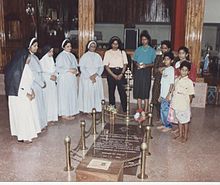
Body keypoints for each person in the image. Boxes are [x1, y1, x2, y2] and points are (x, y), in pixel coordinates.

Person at [4, 39, 42, 142]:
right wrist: (26, 94)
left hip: (27, 93)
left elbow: (29, 81)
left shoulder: (26, 67)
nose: (29, 59)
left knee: (28, 115)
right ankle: (24, 136)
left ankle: (27, 133)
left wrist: (32, 91)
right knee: (22, 116)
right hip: (19, 96)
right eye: (28, 58)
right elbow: (18, 84)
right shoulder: (17, 70)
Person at [133, 30, 156, 121]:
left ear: (148, 40)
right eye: (142, 39)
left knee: (145, 91)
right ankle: (139, 109)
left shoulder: (151, 50)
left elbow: (154, 63)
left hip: (146, 72)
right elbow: (134, 60)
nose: (143, 41)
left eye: (145, 39)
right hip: (138, 72)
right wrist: (137, 64)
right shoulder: (138, 49)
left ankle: (146, 110)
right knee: (138, 91)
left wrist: (146, 65)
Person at [171, 61, 195, 143]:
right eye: (182, 70)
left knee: (185, 121)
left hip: (184, 104)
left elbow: (191, 95)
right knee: (179, 120)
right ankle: (180, 134)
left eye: (186, 70)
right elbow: (174, 90)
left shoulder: (189, 82)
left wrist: (188, 104)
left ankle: (185, 136)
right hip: (177, 103)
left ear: (188, 72)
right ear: (179, 70)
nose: (184, 72)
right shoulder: (176, 79)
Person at [103, 36, 128, 113]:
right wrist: (113, 75)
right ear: (111, 44)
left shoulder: (122, 52)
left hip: (121, 72)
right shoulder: (107, 52)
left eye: (116, 44)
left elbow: (125, 64)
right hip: (111, 72)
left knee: (122, 92)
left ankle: (124, 109)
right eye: (113, 44)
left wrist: (121, 74)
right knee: (111, 91)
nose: (115, 45)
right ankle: (112, 109)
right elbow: (106, 66)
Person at [56, 39, 79, 120]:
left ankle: (71, 112)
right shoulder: (60, 56)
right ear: (63, 47)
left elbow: (76, 66)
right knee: (64, 95)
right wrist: (69, 70)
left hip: (72, 79)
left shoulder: (72, 56)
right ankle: (64, 113)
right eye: (67, 46)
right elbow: (58, 69)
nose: (69, 48)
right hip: (64, 79)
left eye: (70, 46)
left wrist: (76, 70)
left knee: (71, 94)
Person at [78, 40, 104, 113]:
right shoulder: (85, 56)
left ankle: (97, 108)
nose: (93, 48)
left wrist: (95, 75)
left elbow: (101, 67)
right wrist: (90, 76)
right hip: (87, 78)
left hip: (96, 77)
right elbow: (82, 68)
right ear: (88, 47)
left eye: (94, 46)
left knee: (96, 93)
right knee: (87, 94)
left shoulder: (98, 56)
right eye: (91, 46)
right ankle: (87, 109)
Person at [28, 38, 47, 130]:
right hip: (34, 84)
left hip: (38, 83)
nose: (36, 47)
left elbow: (40, 72)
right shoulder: (28, 58)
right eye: (34, 46)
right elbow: (33, 74)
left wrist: (43, 81)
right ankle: (37, 125)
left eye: (37, 46)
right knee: (36, 105)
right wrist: (41, 83)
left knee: (40, 104)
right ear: (29, 47)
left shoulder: (35, 57)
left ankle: (41, 124)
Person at [151, 40, 172, 123]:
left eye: (165, 48)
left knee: (166, 100)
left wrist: (165, 69)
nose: (164, 50)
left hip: (167, 83)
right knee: (156, 99)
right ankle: (159, 116)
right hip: (158, 80)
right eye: (162, 48)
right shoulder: (158, 57)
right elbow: (154, 71)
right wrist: (159, 69)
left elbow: (172, 70)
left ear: (169, 49)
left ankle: (166, 118)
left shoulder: (171, 58)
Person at [156, 52, 175, 132]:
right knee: (162, 110)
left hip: (167, 95)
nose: (166, 61)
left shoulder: (171, 70)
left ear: (172, 61)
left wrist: (168, 95)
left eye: (168, 59)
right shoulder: (165, 70)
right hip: (163, 94)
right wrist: (160, 95)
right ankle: (164, 124)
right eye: (165, 59)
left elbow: (171, 84)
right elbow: (162, 84)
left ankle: (168, 125)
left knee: (166, 110)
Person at [40, 45, 58, 123]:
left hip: (52, 83)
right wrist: (49, 77)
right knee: (47, 100)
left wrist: (55, 76)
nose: (52, 53)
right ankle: (47, 118)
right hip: (46, 83)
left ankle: (52, 117)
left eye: (52, 51)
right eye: (50, 52)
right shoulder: (42, 61)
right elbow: (42, 73)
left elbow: (55, 70)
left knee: (52, 99)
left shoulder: (51, 59)